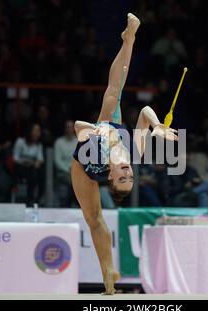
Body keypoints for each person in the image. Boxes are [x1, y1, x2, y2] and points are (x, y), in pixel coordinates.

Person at [71, 13, 177, 295]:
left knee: (94, 219)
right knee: (114, 92)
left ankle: (107, 273)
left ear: (111, 176)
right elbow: (144, 112)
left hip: (83, 165)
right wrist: (157, 127)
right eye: (130, 176)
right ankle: (130, 37)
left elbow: (76, 127)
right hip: (110, 127)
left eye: (123, 177)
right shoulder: (135, 154)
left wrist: (93, 131)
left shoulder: (97, 160)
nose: (129, 172)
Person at [13, 122, 44, 204]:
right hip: (20, 166)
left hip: (32, 167)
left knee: (38, 173)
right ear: (30, 132)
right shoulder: (20, 142)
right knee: (30, 172)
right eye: (36, 131)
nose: (38, 133)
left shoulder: (38, 145)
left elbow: (40, 159)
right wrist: (24, 161)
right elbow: (15, 158)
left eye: (39, 131)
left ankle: (35, 199)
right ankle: (28, 198)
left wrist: (36, 163)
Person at [53, 120, 78, 207]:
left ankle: (72, 204)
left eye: (71, 127)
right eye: (67, 127)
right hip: (63, 172)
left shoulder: (79, 141)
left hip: (77, 172)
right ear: (65, 129)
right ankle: (69, 204)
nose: (69, 129)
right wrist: (68, 169)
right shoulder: (59, 142)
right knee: (73, 181)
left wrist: (75, 170)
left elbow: (82, 159)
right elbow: (57, 161)